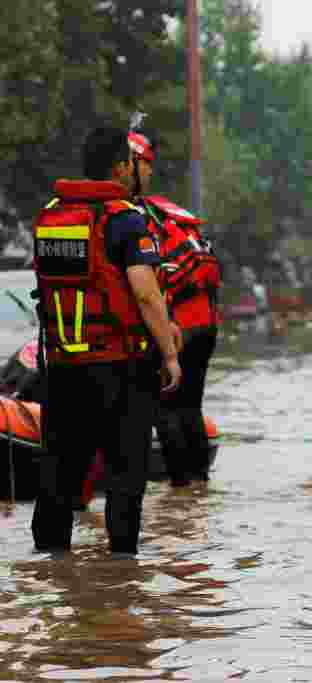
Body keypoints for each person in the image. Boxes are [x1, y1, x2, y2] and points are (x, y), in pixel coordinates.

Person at [31, 126, 182, 555]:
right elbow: (145, 292)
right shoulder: (124, 219)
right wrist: (169, 354)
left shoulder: (52, 215)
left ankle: (49, 570)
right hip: (120, 367)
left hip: (62, 366)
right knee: (124, 474)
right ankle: (120, 574)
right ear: (121, 167)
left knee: (60, 472)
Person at [129, 127, 221, 488]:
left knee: (165, 409)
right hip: (205, 323)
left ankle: (181, 489)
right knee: (190, 407)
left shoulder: (131, 215)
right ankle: (198, 488)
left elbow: (146, 286)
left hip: (176, 324)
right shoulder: (172, 213)